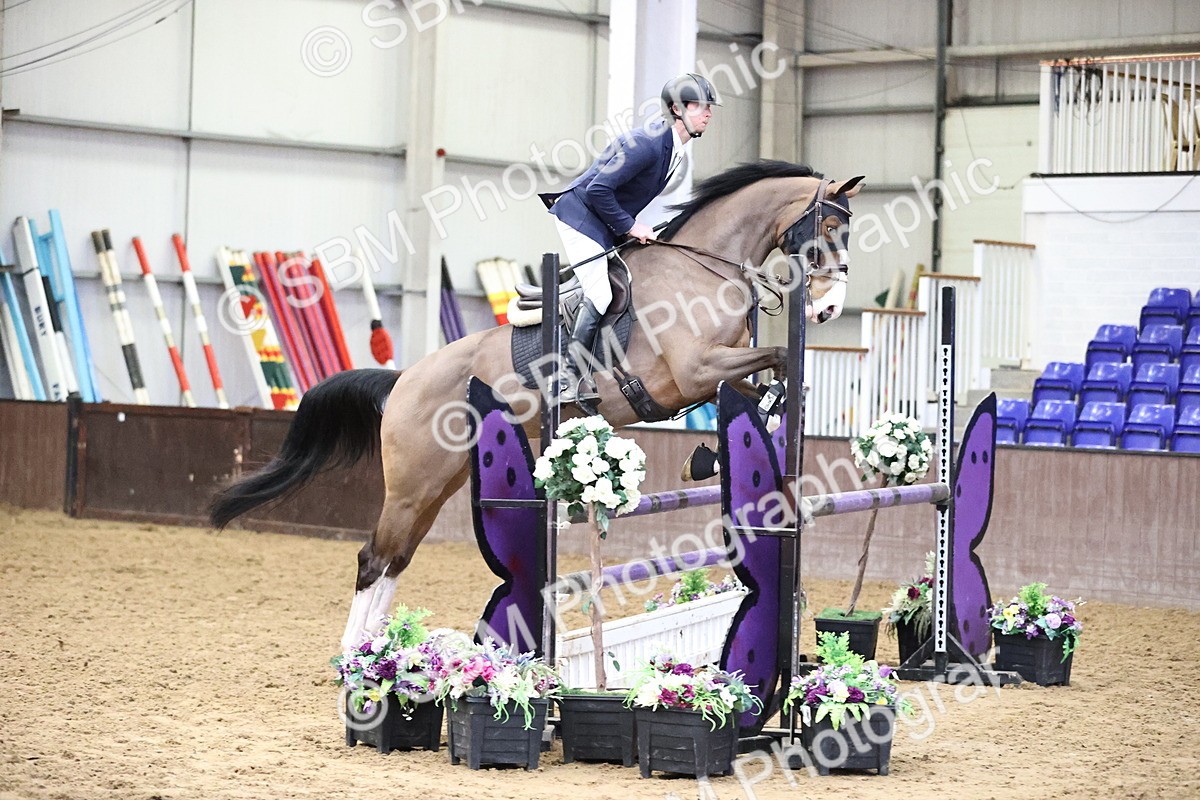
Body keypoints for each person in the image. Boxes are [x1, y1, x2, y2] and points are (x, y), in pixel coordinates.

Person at [538, 73, 721, 403]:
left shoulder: (672, 148)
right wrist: (629, 226)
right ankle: (566, 377)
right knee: (601, 294)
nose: (708, 113)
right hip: (579, 217)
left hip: (600, 220)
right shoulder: (649, 144)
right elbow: (598, 189)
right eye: (701, 106)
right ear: (678, 110)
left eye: (709, 107)